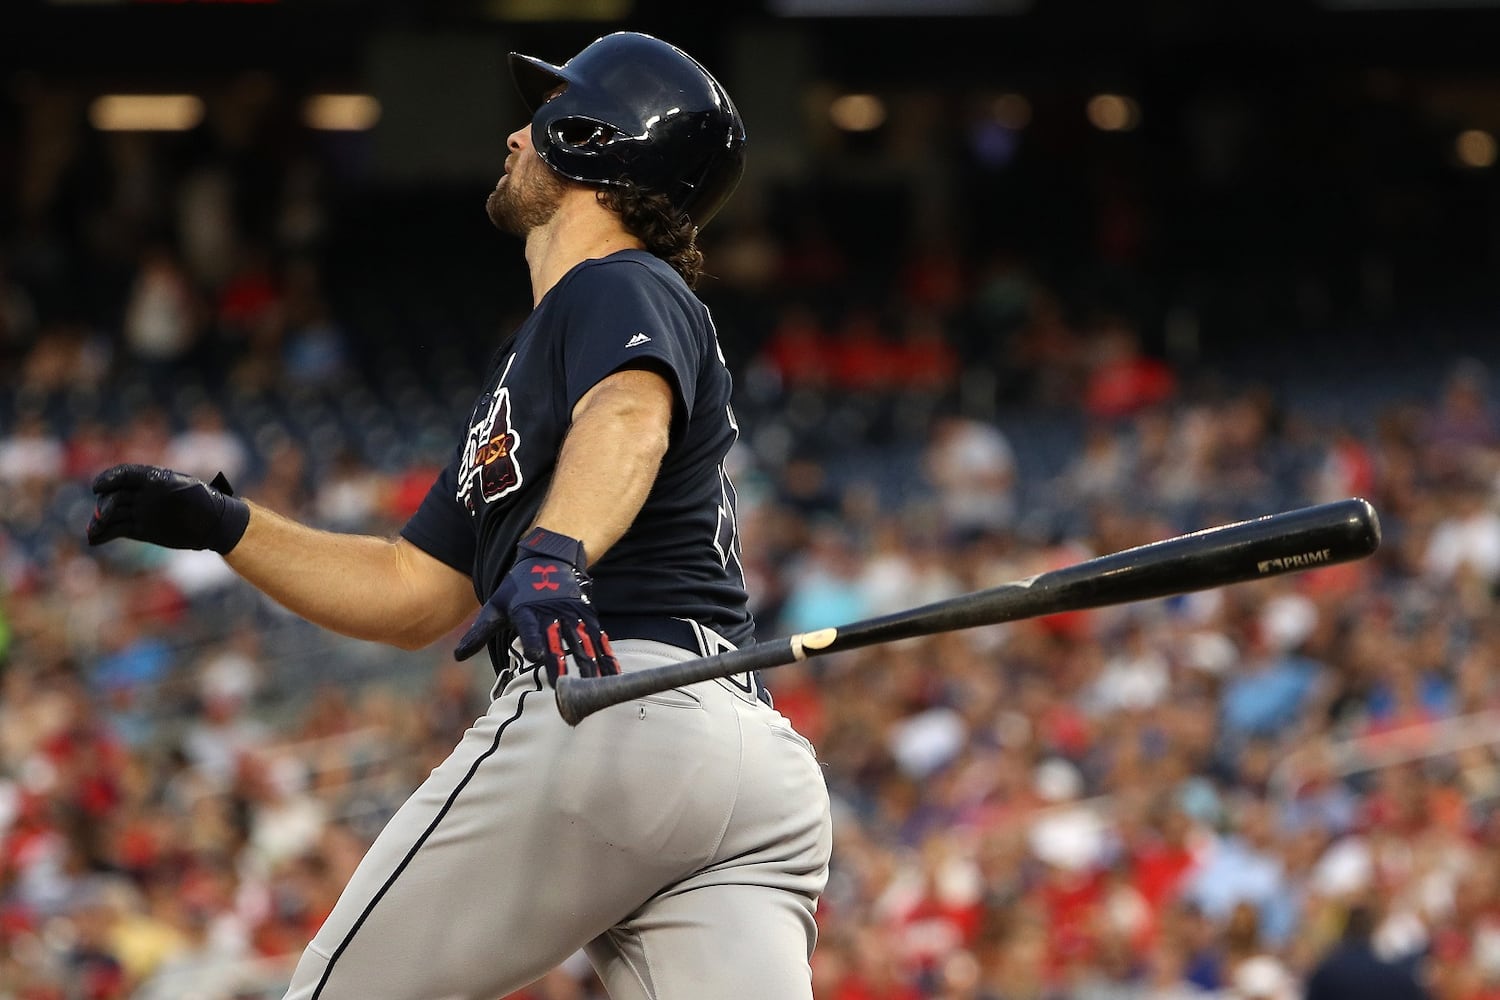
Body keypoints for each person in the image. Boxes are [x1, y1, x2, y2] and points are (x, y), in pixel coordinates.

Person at [86, 31, 833, 1000]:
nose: (517, 134)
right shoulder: (558, 337)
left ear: (592, 139)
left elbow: (630, 413)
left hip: (612, 704)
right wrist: (232, 529)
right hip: (745, 767)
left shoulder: (615, 283)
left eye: (543, 114)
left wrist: (557, 556)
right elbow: (412, 592)